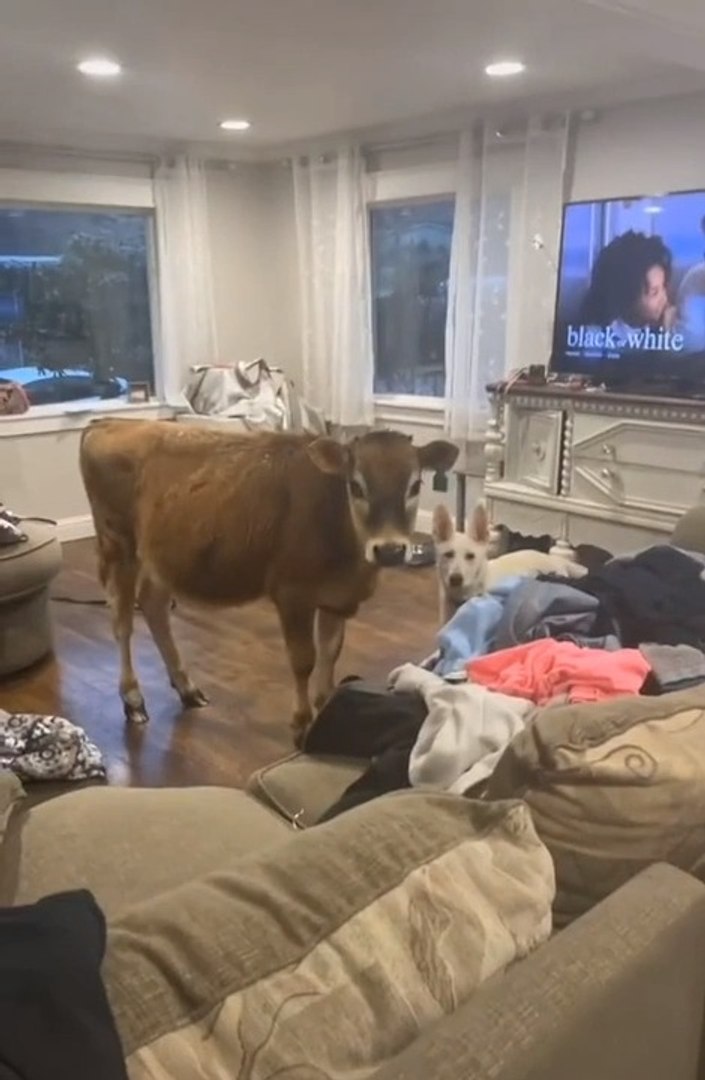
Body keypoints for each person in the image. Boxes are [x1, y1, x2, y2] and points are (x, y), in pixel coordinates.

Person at [580, 230, 677, 333]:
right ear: (627, 297)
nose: (664, 299)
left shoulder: (653, 326)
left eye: (663, 287)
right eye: (654, 293)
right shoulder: (595, 336)